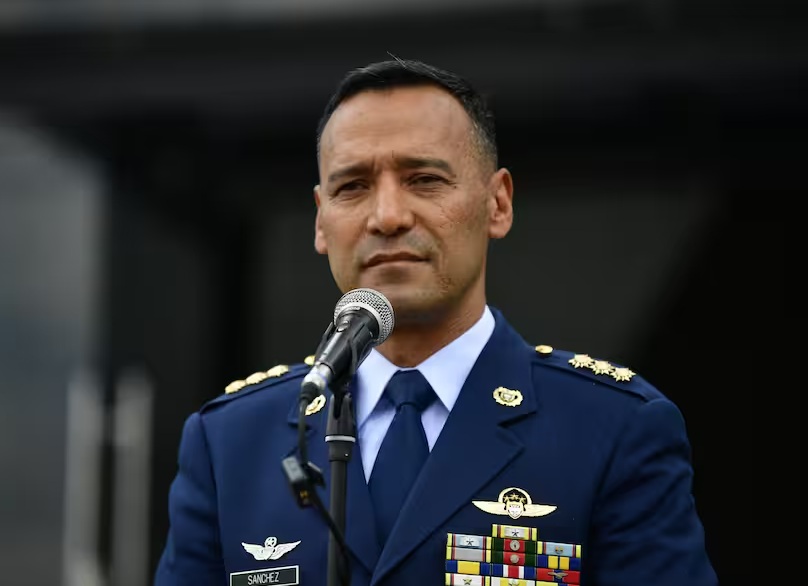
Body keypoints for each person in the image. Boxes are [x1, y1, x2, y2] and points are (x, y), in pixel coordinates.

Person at [154, 58, 718, 586]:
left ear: (498, 204)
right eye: (352, 187)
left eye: (424, 179)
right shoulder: (230, 443)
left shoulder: (611, 430)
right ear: (321, 222)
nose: (388, 216)